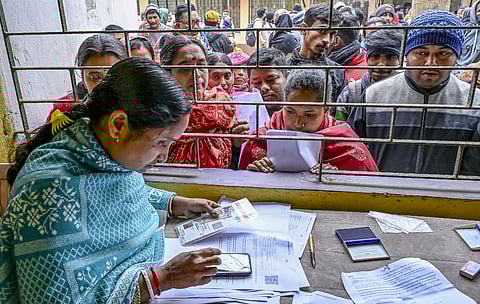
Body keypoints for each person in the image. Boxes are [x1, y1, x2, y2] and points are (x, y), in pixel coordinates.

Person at [1, 57, 224, 304]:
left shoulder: (99, 152)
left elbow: (121, 190)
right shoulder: (48, 197)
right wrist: (162, 279)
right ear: (118, 125)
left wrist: (175, 203)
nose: (164, 156)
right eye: (162, 143)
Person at [348, 10, 480, 175]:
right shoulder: (373, 97)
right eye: (421, 53)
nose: (431, 63)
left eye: (443, 54)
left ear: (457, 57)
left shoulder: (474, 103)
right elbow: (349, 154)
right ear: (406, 54)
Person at [239, 69, 377, 172]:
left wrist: (336, 180)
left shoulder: (346, 145)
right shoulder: (261, 139)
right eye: (290, 111)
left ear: (326, 110)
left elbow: (367, 190)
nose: (298, 123)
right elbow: (242, 185)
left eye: (309, 115)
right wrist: (256, 173)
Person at [160, 35, 248, 168]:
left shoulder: (222, 103)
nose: (196, 75)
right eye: (185, 69)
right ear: (168, 73)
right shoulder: (159, 112)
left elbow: (233, 163)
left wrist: (236, 144)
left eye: (201, 66)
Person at [46, 34, 127, 122]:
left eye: (113, 76)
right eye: (96, 77)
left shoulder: (136, 107)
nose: (105, 85)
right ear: (82, 76)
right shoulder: (64, 111)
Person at [336, 29, 402, 120]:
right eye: (375, 57)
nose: (381, 64)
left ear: (399, 61)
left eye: (390, 57)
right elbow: (339, 127)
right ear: (367, 59)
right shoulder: (351, 93)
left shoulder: (407, 93)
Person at [288, 3, 345, 104]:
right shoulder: (284, 67)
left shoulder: (337, 72)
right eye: (322, 30)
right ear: (304, 29)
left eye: (332, 34)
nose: (327, 40)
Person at [248, 48, 287, 117]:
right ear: (249, 84)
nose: (264, 87)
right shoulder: (242, 115)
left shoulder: (300, 111)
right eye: (257, 82)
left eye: (271, 80)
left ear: (286, 77)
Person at [328, 14, 367, 82]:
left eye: (330, 35)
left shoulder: (363, 75)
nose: (325, 39)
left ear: (336, 40)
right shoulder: (365, 61)